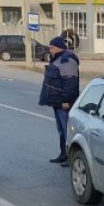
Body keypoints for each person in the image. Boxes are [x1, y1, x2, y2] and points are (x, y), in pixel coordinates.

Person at [38, 36, 80, 167]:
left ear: (59, 48)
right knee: (61, 131)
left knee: (67, 131)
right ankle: (63, 154)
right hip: (57, 103)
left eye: (52, 48)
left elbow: (71, 84)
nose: (49, 50)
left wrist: (66, 101)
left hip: (64, 104)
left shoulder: (67, 60)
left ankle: (70, 157)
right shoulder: (58, 59)